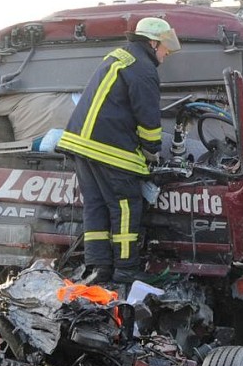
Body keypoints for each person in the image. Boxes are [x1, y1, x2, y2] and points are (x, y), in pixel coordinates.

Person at [57, 17, 181, 284]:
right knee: (126, 206)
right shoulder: (144, 69)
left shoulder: (120, 56)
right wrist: (152, 151)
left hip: (81, 144)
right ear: (152, 42)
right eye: (165, 48)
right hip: (109, 149)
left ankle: (99, 268)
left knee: (96, 206)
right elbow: (148, 119)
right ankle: (126, 271)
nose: (167, 53)